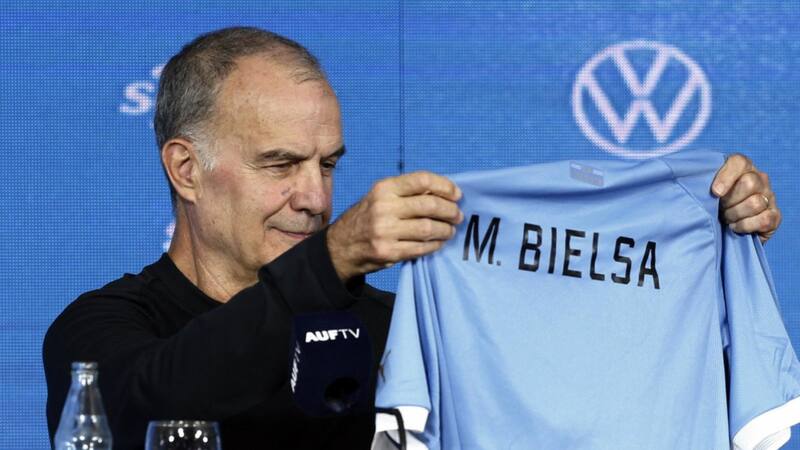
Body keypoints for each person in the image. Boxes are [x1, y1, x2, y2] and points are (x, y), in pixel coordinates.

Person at [43, 27, 783, 450]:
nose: (315, 198)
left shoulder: (398, 334)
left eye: (328, 165)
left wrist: (708, 264)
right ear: (186, 169)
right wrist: (331, 260)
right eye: (281, 165)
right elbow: (147, 403)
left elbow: (594, 403)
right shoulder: (101, 330)